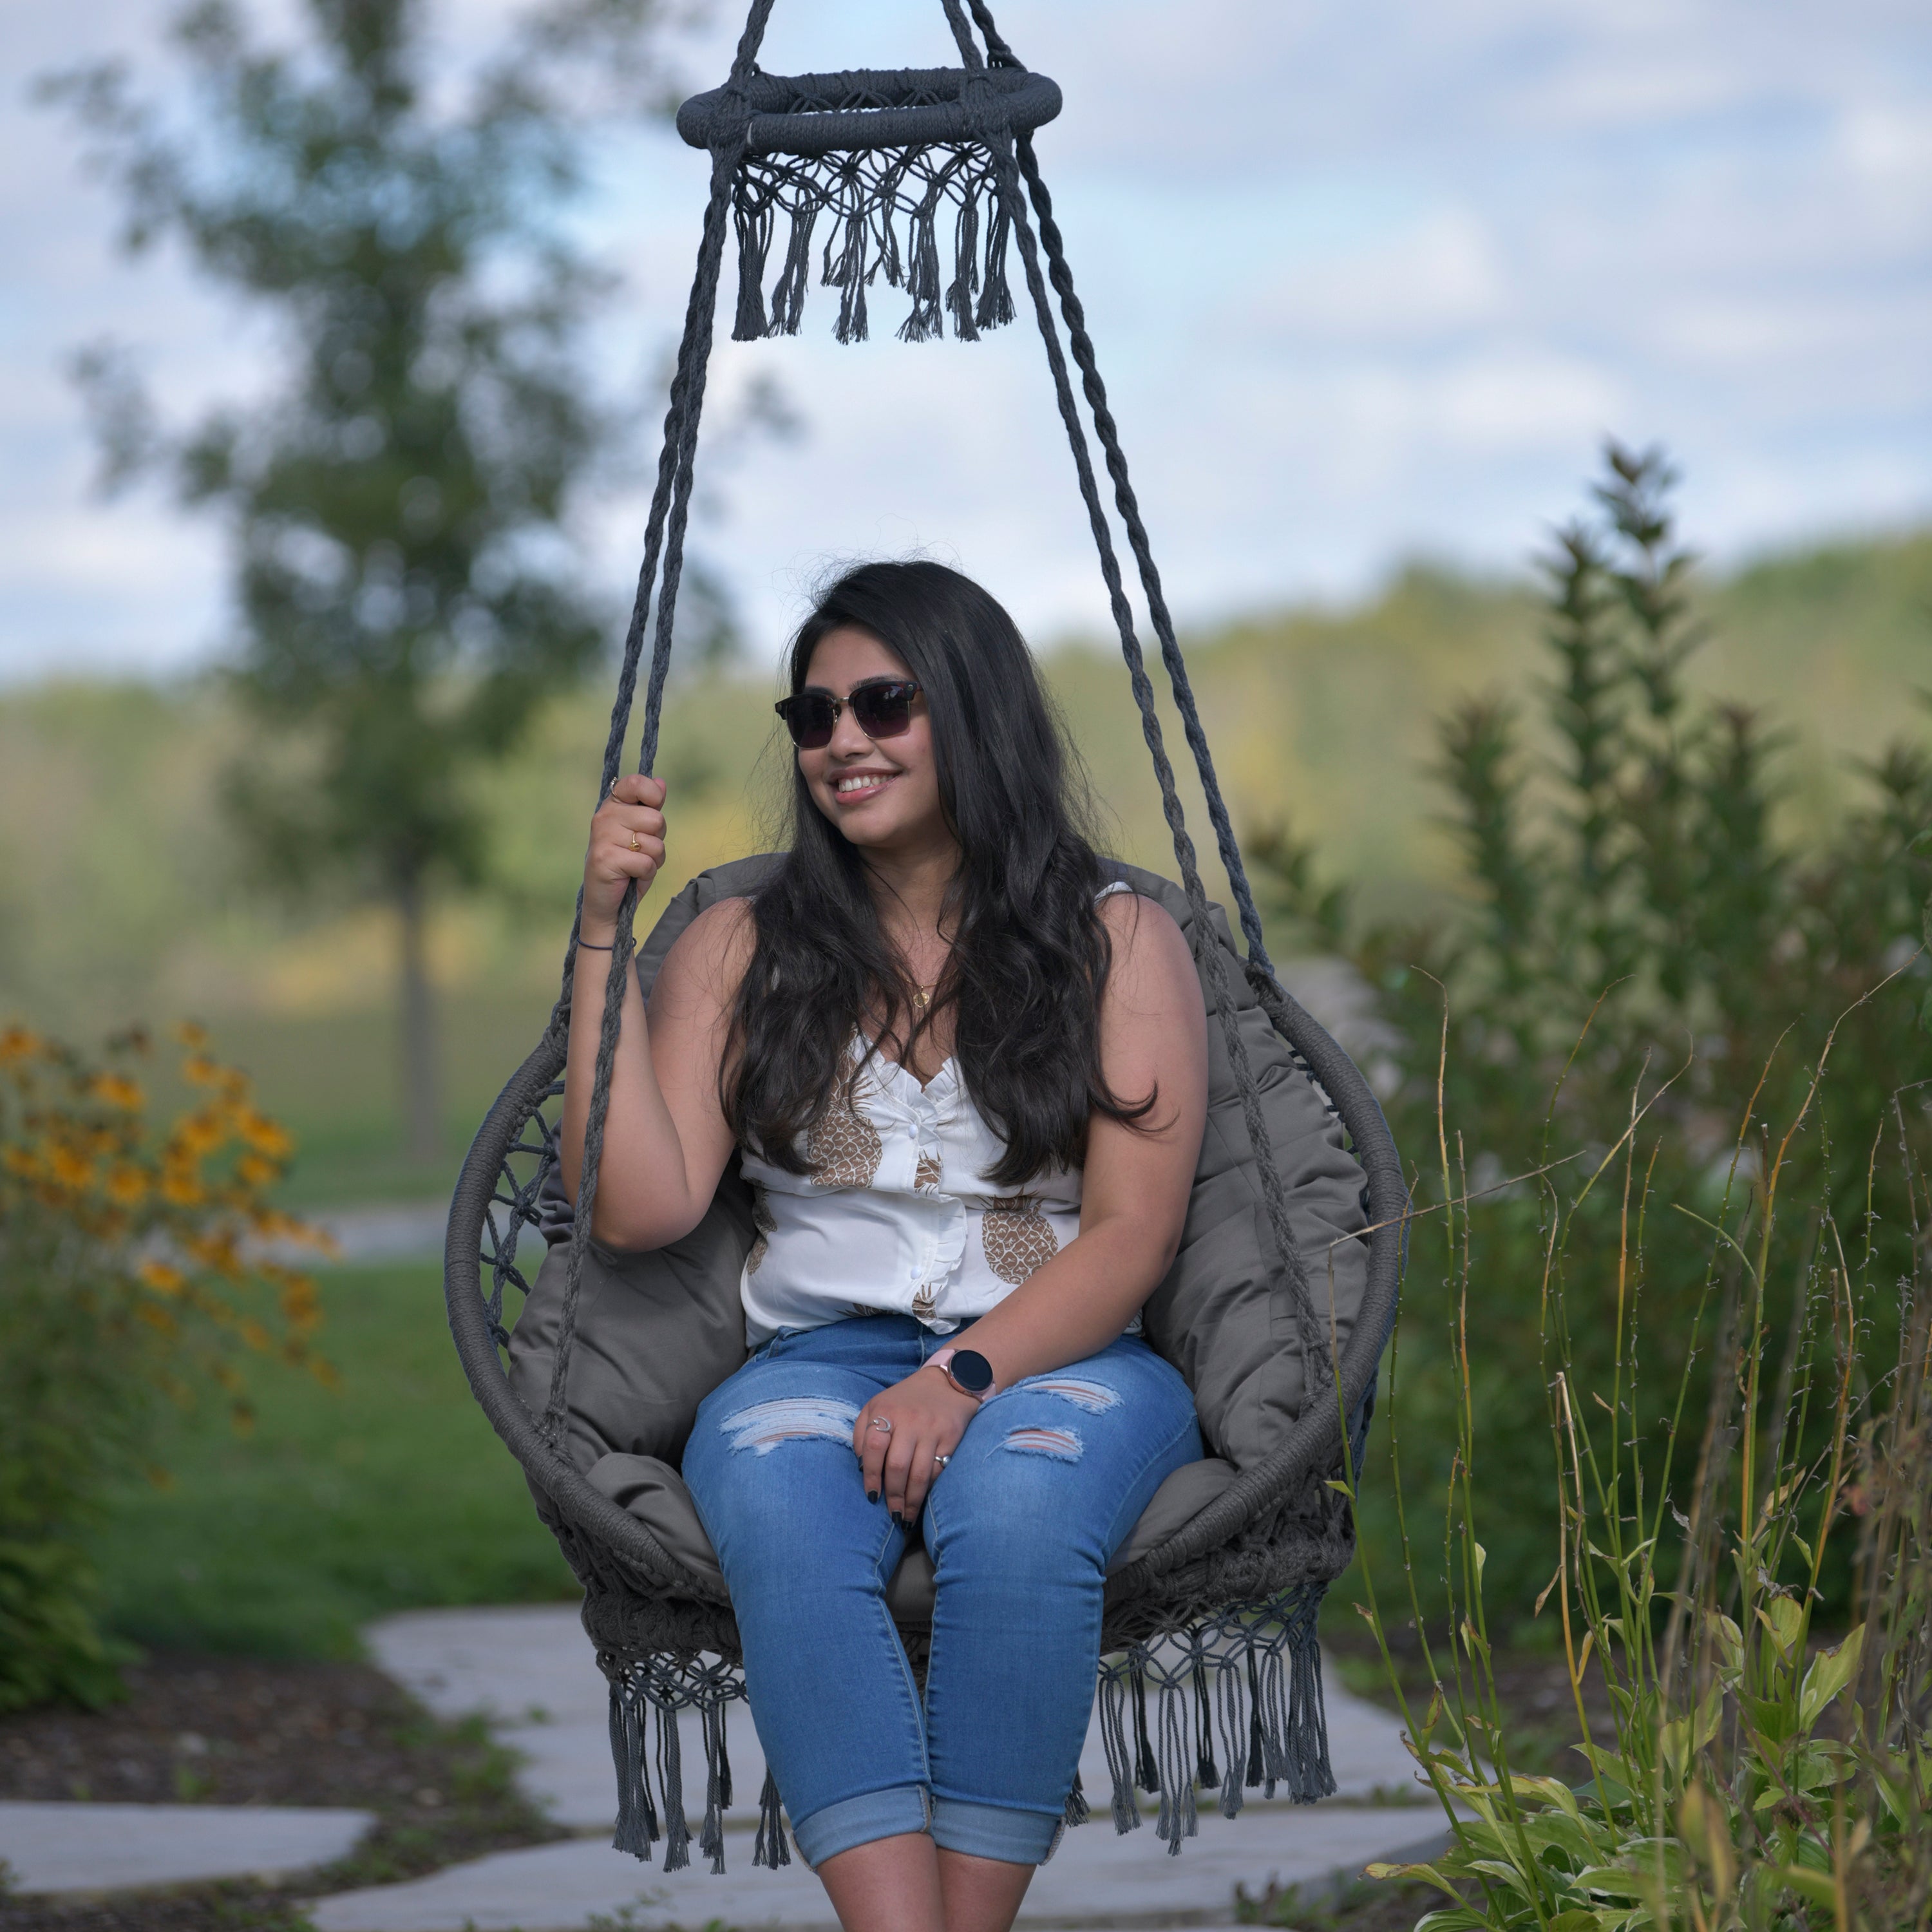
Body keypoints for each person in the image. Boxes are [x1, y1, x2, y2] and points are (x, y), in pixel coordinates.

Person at [559, 560, 1209, 1932]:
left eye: (883, 703)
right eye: (813, 715)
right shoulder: (740, 943)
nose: (841, 740)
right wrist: (604, 936)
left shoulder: (1118, 937)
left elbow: (1133, 1234)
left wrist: (962, 1378)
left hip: (1060, 1350)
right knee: (780, 1501)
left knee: (1021, 1510)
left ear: (969, 711)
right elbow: (638, 1208)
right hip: (818, 1354)